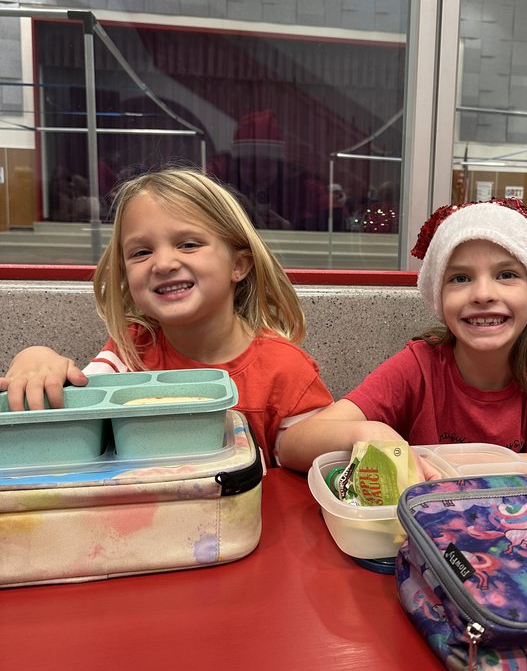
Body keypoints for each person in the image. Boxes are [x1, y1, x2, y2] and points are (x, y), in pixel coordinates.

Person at [280, 198, 527, 481]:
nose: (483, 293)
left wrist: (501, 466)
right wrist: (366, 432)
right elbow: (295, 444)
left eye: (507, 274)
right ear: (439, 299)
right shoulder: (419, 367)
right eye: (460, 278)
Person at [0, 168, 332, 467]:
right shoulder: (129, 350)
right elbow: (78, 405)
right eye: (141, 252)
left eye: (188, 244)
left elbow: (314, 464)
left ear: (238, 266)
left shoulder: (286, 369)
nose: (163, 264)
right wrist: (37, 358)